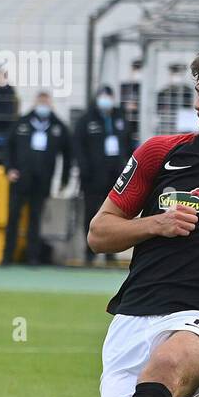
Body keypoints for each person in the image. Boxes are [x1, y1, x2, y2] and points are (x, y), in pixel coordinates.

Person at [54, 43, 199, 397]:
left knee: (168, 363)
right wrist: (156, 224)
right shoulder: (159, 154)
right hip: (132, 319)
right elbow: (100, 234)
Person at [2, 91, 72, 265]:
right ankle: (7, 256)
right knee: (13, 217)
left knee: (35, 219)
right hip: (20, 179)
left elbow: (68, 154)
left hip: (42, 180)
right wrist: (9, 169)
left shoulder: (58, 126)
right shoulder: (22, 123)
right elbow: (7, 147)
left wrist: (64, 179)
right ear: (34, 103)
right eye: (40, 102)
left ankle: (32, 257)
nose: (43, 106)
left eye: (46, 102)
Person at [75, 86, 135, 265]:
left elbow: (129, 143)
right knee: (91, 213)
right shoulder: (86, 120)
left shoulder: (120, 118)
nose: (106, 100)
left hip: (116, 174)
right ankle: (90, 251)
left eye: (109, 96)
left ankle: (111, 251)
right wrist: (84, 168)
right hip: (93, 176)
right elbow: (78, 146)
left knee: (115, 214)